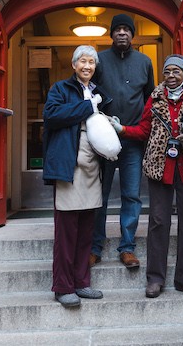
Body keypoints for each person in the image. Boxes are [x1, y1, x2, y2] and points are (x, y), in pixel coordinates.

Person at [110, 55, 183, 298]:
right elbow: (144, 130)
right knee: (158, 222)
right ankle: (155, 279)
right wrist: (122, 129)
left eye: (177, 71)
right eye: (167, 72)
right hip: (160, 168)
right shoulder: (154, 100)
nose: (171, 76)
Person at [43, 45, 109, 308]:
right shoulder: (60, 89)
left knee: (86, 230)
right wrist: (86, 107)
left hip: (92, 165)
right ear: (74, 65)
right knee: (67, 231)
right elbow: (52, 116)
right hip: (68, 166)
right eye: (83, 61)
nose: (87, 66)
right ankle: (62, 286)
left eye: (92, 62)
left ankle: (82, 283)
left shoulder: (99, 92)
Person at [91, 13, 155, 269]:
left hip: (132, 141)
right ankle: (95, 246)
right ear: (111, 34)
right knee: (100, 195)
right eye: (117, 29)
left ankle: (127, 247)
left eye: (126, 30)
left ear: (132, 34)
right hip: (103, 141)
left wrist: (141, 130)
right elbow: (89, 95)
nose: (121, 33)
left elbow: (150, 99)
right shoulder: (99, 60)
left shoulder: (144, 62)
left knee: (131, 195)